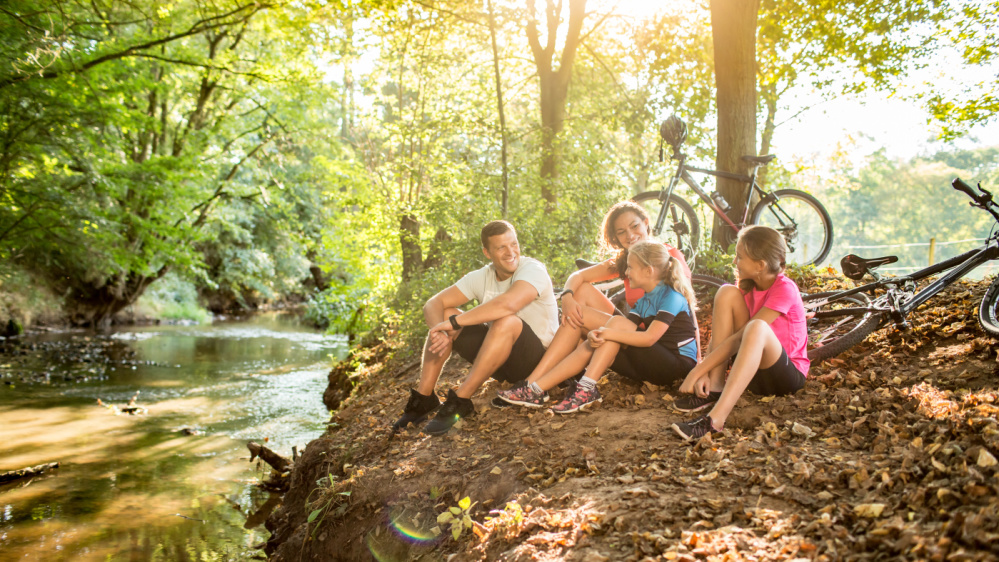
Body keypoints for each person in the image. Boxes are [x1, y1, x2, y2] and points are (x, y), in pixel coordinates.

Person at [495, 201, 692, 409]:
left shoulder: (667, 261)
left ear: (646, 223)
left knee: (610, 328)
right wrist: (568, 298)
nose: (630, 235)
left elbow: (687, 315)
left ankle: (575, 385)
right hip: (638, 341)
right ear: (615, 237)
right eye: (622, 232)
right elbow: (579, 277)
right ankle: (535, 386)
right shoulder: (628, 264)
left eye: (634, 226)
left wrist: (699, 368)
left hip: (657, 346)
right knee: (583, 296)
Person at [391, 220, 559, 436]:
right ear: (487, 253)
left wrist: (454, 323)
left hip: (535, 361)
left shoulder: (532, 269)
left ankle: (461, 400)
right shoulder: (482, 276)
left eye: (514, 244)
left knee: (506, 319)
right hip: (497, 358)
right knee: (445, 314)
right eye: (501, 247)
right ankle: (424, 399)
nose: (511, 253)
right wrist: (440, 331)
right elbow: (433, 304)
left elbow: (508, 304)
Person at [671, 225, 809, 440]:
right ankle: (715, 388)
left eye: (740, 257)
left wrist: (697, 371)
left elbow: (738, 339)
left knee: (756, 327)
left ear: (760, 265)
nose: (735, 262)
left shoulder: (785, 288)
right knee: (726, 292)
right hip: (752, 373)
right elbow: (723, 337)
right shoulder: (748, 286)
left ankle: (715, 421)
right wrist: (706, 373)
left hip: (786, 376)